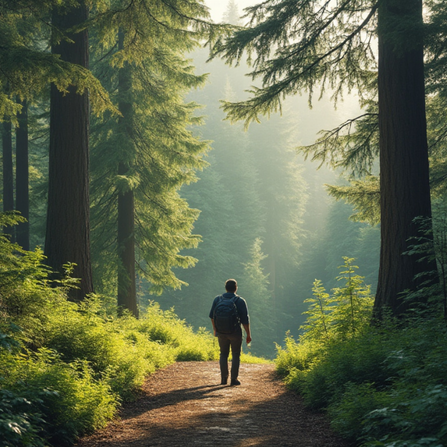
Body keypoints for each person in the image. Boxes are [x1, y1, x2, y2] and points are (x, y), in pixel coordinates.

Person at [209, 279, 251, 386]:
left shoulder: (217, 299)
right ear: (236, 288)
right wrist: (248, 335)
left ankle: (223, 379)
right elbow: (245, 320)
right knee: (235, 354)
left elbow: (212, 316)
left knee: (223, 354)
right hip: (235, 333)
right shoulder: (240, 301)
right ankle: (233, 379)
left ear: (226, 288)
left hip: (221, 332)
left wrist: (215, 329)